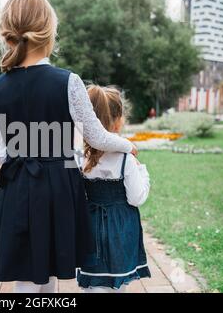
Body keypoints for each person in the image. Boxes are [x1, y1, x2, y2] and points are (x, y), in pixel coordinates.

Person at [0, 0, 137, 293]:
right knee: (45, 267)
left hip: (16, 187)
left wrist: (25, 159)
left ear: (7, 34)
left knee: (30, 269)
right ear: (49, 32)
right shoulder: (68, 82)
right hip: (58, 186)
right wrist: (126, 145)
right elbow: (96, 136)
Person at [77, 85, 151, 293]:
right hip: (120, 229)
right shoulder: (126, 157)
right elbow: (137, 197)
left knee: (92, 285)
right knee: (116, 286)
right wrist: (143, 172)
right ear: (117, 120)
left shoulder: (78, 156)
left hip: (89, 227)